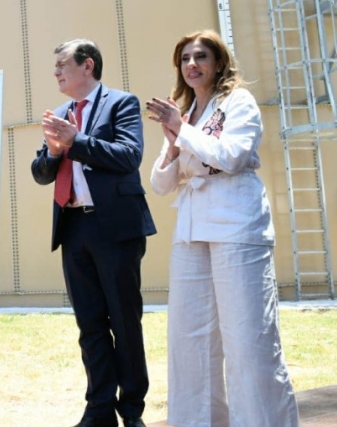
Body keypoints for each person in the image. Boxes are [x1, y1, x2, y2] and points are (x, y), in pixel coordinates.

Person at [146, 30, 299, 427]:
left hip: (236, 224)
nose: (192, 64)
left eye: (201, 56)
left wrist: (183, 131)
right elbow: (161, 185)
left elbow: (232, 157)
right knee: (190, 339)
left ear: (218, 62)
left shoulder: (238, 102)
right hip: (192, 230)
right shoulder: (186, 113)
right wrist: (176, 142)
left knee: (249, 340)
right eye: (184, 58)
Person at [31, 39, 156, 427]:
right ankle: (99, 409)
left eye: (62, 64)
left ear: (87, 66)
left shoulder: (122, 103)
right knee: (90, 325)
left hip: (115, 228)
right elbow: (40, 173)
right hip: (74, 227)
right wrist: (53, 152)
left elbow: (128, 156)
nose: (55, 72)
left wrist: (76, 141)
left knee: (124, 322)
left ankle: (131, 410)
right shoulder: (62, 113)